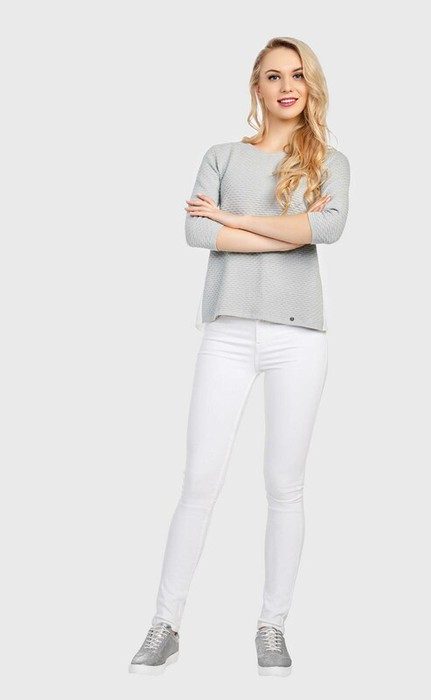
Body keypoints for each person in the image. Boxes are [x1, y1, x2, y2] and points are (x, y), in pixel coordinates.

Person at [129, 36, 351, 678]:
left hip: (298, 338)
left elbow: (327, 229)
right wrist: (282, 231)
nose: (287, 87)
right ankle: (165, 624)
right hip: (227, 332)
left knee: (285, 485)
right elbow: (197, 232)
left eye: (298, 75)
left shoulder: (329, 162)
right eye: (274, 76)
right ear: (257, 86)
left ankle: (271, 626)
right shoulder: (222, 155)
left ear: (310, 86)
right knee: (199, 480)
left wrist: (233, 220)